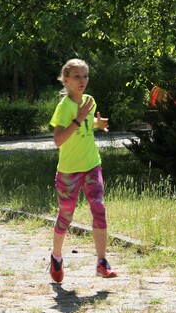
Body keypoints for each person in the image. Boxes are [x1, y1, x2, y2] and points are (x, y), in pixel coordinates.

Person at [48, 59, 117, 282]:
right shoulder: (64, 107)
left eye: (85, 76)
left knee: (99, 208)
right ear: (65, 79)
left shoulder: (90, 101)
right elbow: (58, 140)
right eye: (77, 76)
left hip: (91, 164)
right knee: (65, 216)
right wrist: (78, 119)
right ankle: (56, 257)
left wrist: (98, 124)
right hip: (69, 170)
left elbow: (87, 125)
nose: (82, 81)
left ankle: (101, 262)